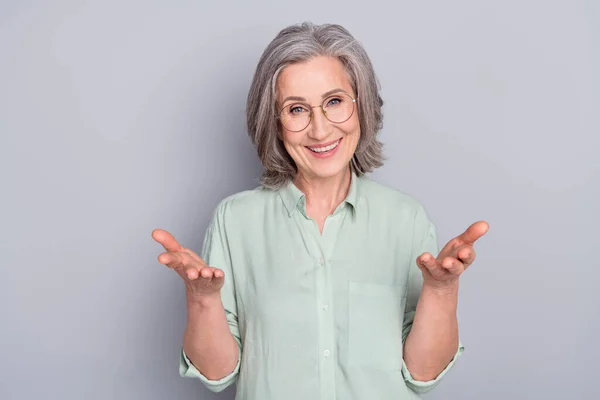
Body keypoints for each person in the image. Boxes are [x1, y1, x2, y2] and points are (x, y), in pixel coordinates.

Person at [152, 21, 488, 400]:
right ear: (275, 124)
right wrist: (202, 299)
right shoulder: (235, 221)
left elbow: (423, 375)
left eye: (334, 102)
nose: (320, 129)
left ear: (360, 105)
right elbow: (216, 374)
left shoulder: (406, 220)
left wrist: (442, 291)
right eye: (297, 109)